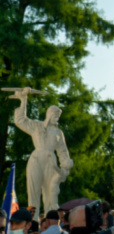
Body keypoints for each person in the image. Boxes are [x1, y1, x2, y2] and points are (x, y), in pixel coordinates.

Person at [9, 88, 74, 216]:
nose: (57, 118)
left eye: (58, 116)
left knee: (50, 195)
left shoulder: (58, 132)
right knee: (33, 193)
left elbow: (63, 152)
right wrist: (23, 100)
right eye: (55, 115)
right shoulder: (37, 126)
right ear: (49, 114)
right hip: (36, 159)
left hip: (51, 161)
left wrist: (65, 167)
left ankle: (50, 223)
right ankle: (33, 223)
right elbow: (20, 121)